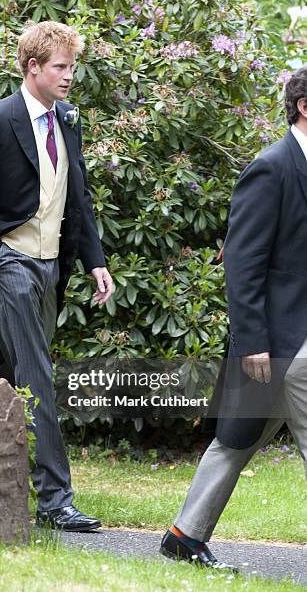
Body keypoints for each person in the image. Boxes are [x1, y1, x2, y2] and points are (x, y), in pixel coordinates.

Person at [160, 66, 307, 569]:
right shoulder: (272, 167)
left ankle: (184, 534)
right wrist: (252, 343)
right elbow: (243, 264)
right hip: (283, 341)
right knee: (239, 435)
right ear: (304, 106)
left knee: (238, 437)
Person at [0, 21, 113, 531]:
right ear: (32, 68)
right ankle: (56, 500)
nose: (69, 76)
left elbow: (77, 195)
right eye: (60, 67)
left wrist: (94, 260)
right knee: (36, 375)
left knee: (8, 378)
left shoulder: (68, 120)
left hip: (52, 266)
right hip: (11, 264)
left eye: (71, 67)